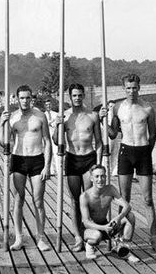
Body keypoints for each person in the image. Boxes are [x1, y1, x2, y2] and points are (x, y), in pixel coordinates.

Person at [100, 73, 156, 253]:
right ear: (124, 89)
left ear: (139, 87)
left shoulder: (148, 108)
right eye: (128, 88)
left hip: (143, 152)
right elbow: (113, 134)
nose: (131, 91)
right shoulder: (118, 108)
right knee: (124, 199)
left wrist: (146, 152)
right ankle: (121, 237)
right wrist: (103, 120)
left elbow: (153, 135)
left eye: (134, 87)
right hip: (126, 152)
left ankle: (154, 238)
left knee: (148, 199)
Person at [0, 85, 52, 251]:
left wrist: (47, 166)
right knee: (18, 200)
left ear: (32, 98)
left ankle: (40, 237)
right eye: (22, 98)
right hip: (18, 159)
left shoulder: (40, 116)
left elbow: (48, 142)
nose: (25, 101)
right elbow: (3, 143)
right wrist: (2, 124)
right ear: (17, 99)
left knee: (38, 200)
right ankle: (19, 237)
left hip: (37, 159)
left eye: (28, 97)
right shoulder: (13, 118)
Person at [53, 83, 102, 252]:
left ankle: (90, 236)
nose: (77, 98)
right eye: (74, 95)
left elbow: (100, 142)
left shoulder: (92, 116)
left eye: (80, 95)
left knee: (87, 200)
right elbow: (55, 140)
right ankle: (78, 237)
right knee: (75, 201)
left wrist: (98, 164)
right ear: (69, 97)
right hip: (72, 158)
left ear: (84, 95)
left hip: (89, 159)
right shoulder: (65, 116)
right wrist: (58, 125)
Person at [80, 164, 140, 262]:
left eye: (103, 176)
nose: (100, 179)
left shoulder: (110, 189)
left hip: (106, 224)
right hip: (90, 229)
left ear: (106, 177)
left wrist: (119, 218)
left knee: (130, 216)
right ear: (91, 178)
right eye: (97, 176)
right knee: (96, 236)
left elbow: (127, 206)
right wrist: (104, 228)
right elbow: (86, 222)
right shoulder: (85, 196)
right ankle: (89, 246)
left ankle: (123, 248)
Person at [44, 99, 58, 175]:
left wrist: (51, 123)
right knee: (49, 152)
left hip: (54, 136)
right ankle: (51, 171)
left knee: (56, 152)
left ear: (51, 105)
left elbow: (56, 125)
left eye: (49, 104)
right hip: (46, 136)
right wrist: (49, 122)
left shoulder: (56, 114)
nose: (48, 106)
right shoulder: (43, 115)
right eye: (46, 105)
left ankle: (58, 170)